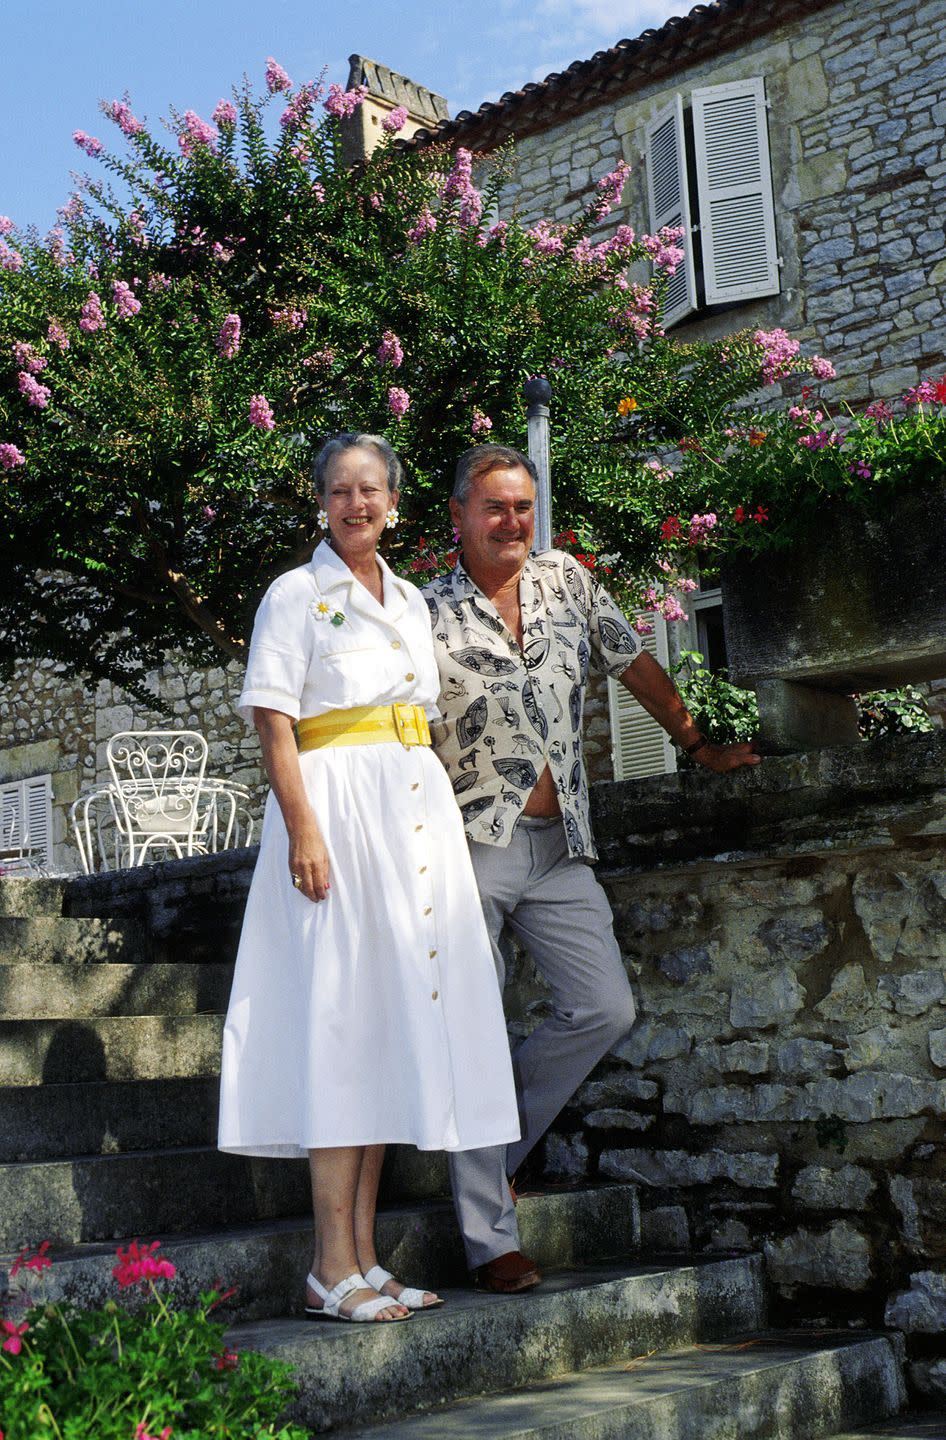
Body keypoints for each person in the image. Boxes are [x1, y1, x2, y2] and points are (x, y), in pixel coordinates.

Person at [423, 444, 760, 1294]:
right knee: (470, 1027)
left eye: (523, 507)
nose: (512, 521)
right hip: (470, 843)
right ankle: (487, 1236)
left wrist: (695, 743)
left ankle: (489, 1155)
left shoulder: (567, 581)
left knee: (604, 1006)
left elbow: (631, 659)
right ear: (458, 516)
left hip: (561, 843)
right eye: (495, 507)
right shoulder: (422, 612)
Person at [218, 433, 520, 1323]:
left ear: (395, 503)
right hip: (335, 816)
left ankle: (365, 1258)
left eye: (372, 490)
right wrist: (304, 831)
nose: (358, 504)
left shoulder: (412, 600)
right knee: (341, 1025)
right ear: (322, 502)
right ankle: (328, 1265)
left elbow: (419, 717)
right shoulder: (297, 595)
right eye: (342, 491)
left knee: (389, 1025)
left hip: (410, 819)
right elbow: (275, 721)